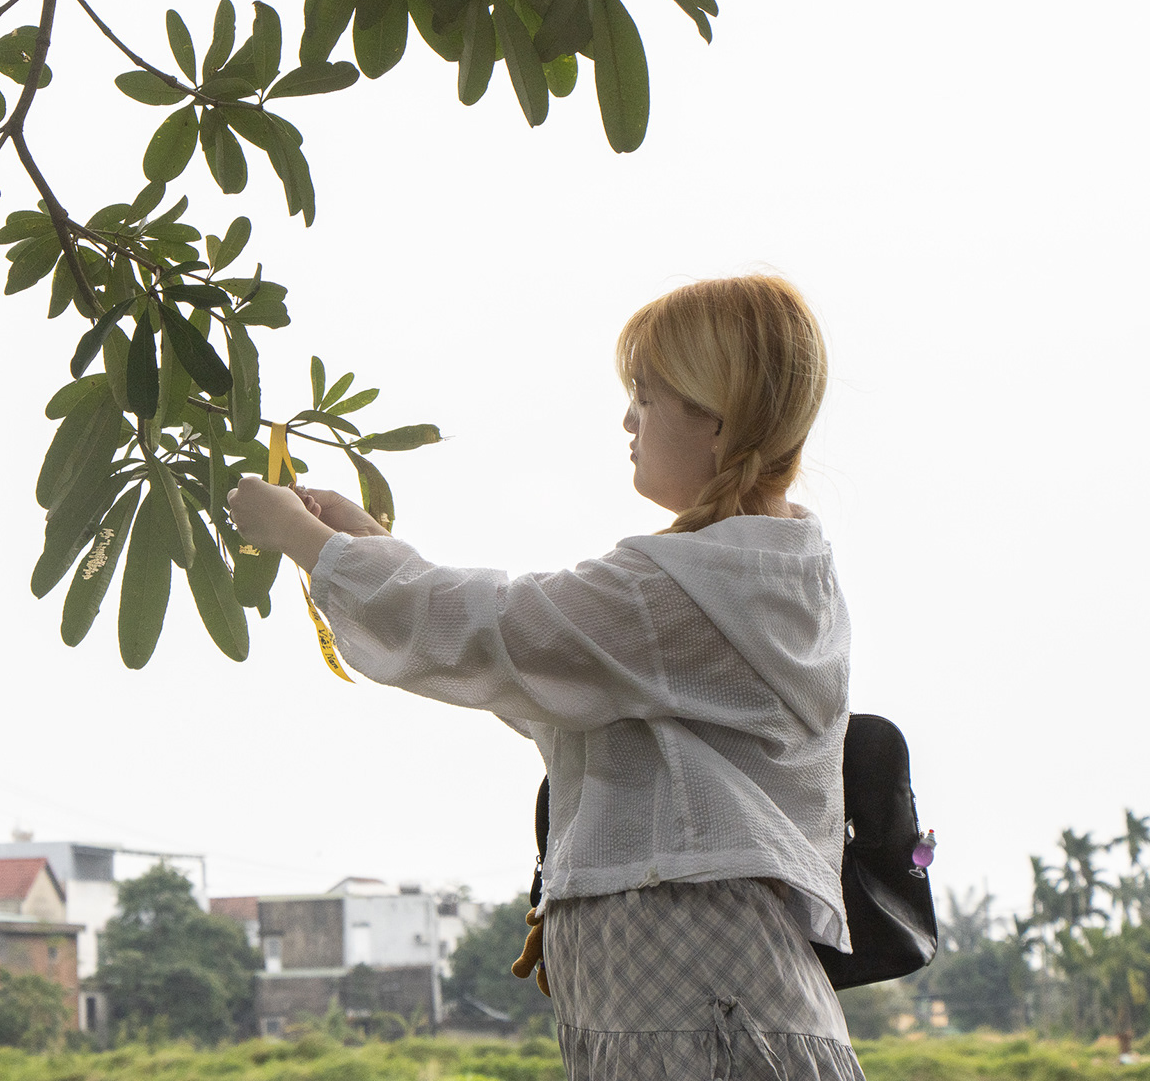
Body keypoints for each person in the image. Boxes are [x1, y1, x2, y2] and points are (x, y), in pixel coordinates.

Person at [227, 275, 863, 1080]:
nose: (628, 420)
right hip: (698, 1008)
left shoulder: (690, 588)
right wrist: (366, 550)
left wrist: (313, 546)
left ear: (716, 415)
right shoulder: (740, 580)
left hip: (704, 1013)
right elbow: (537, 664)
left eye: (647, 396)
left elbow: (501, 631)